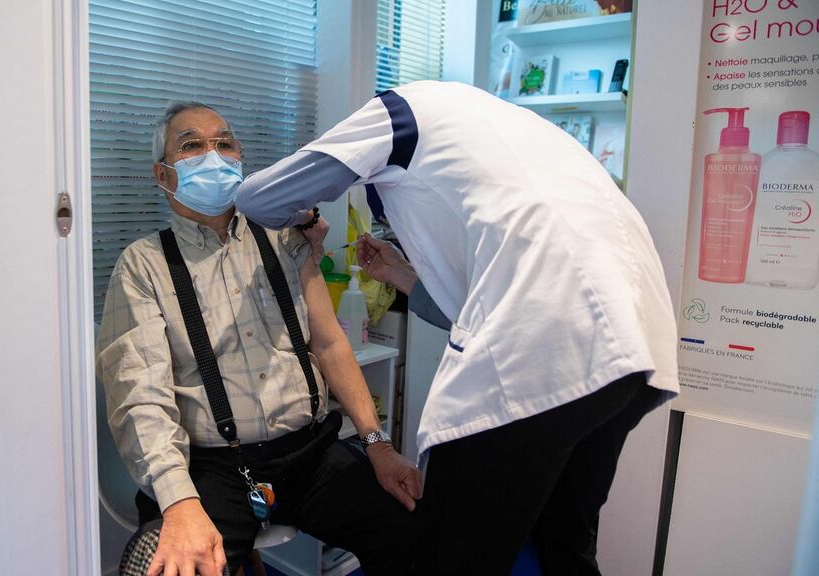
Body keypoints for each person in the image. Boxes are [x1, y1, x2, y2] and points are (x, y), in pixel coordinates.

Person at [236, 80, 680, 575]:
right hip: (635, 343)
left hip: (548, 348)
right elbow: (490, 304)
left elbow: (259, 198)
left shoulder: (396, 113)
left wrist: (305, 220)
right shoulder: (514, 131)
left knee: (449, 555)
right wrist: (403, 275)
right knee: (564, 540)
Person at [96, 101, 421, 576]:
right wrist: (179, 500)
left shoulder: (286, 239)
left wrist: (378, 444)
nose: (213, 155)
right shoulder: (142, 266)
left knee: (415, 530)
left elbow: (329, 344)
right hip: (213, 470)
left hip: (310, 454)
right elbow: (141, 399)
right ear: (164, 176)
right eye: (191, 146)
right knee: (169, 568)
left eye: (224, 143)